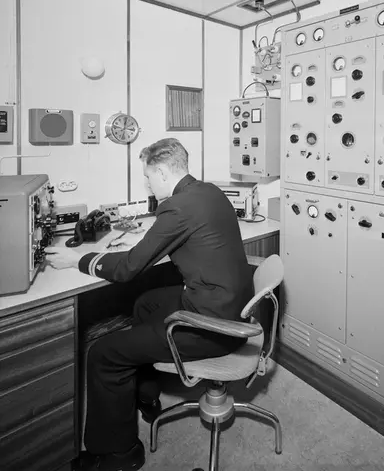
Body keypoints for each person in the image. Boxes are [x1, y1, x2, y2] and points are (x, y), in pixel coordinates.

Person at [45, 138, 254, 471]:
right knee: (145, 304)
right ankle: (147, 393)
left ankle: (120, 453)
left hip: (214, 326)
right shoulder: (208, 191)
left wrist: (77, 260)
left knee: (103, 353)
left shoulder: (177, 207)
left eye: (148, 177)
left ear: (162, 172)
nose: (148, 184)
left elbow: (128, 267)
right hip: (228, 304)